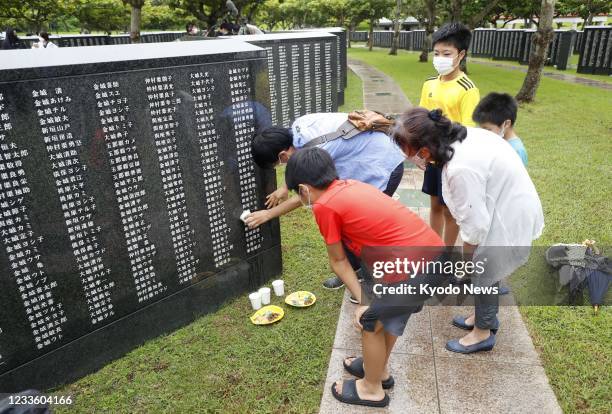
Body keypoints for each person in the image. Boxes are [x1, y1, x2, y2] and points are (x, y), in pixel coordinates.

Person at [285, 147, 444, 407]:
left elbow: (338, 261)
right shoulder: (350, 185)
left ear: (304, 189)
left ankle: (371, 389)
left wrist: (363, 299)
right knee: (387, 317)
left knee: (370, 321)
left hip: (413, 268)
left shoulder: (324, 206)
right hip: (434, 258)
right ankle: (377, 370)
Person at [391, 107, 544, 354]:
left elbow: (475, 226)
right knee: (486, 269)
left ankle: (482, 333)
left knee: (483, 268)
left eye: (409, 152)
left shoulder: (459, 168)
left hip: (508, 215)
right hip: (505, 203)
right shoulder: (460, 136)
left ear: (425, 150)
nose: (409, 158)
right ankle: (484, 317)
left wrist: (467, 258)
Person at [247, 112, 406, 291]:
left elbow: (308, 195)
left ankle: (376, 281)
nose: (283, 166)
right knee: (350, 223)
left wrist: (268, 214)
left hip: (383, 166)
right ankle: (354, 270)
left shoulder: (318, 149)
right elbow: (300, 161)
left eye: (280, 164)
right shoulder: (300, 126)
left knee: (362, 226)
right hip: (372, 154)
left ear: (283, 155)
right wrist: (284, 187)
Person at [418, 22, 480, 247]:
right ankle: (433, 248)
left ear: (461, 54)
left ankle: (445, 252)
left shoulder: (467, 88)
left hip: (453, 160)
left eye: (446, 53)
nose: (440, 58)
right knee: (434, 205)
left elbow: (468, 131)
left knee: (449, 210)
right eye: (436, 53)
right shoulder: (429, 84)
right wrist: (422, 150)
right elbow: (423, 118)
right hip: (432, 157)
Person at [473, 92, 528, 166]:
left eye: (488, 129)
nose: (483, 133)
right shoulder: (493, 141)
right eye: (480, 127)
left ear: (506, 124)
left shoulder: (516, 151)